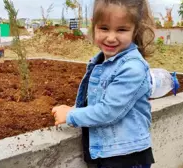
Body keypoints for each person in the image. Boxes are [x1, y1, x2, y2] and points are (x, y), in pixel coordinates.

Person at [51, 0, 156, 168]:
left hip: (125, 158)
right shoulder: (103, 61)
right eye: (104, 28)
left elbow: (108, 111)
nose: (111, 37)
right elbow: (96, 100)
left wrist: (71, 115)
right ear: (94, 26)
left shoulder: (132, 68)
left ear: (135, 30)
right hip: (108, 153)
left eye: (121, 29)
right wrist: (75, 109)